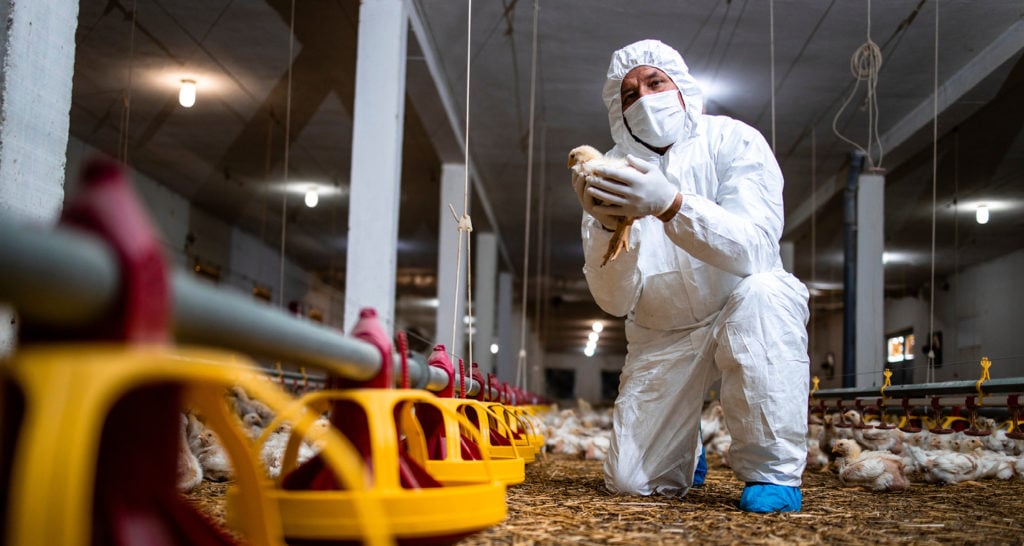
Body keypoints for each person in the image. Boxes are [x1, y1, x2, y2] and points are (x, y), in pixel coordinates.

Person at [570, 39, 810, 512]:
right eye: (630, 94)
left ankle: (772, 471)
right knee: (630, 482)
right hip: (662, 332)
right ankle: (686, 437)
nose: (644, 98)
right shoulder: (609, 176)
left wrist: (672, 205)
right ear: (618, 112)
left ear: (681, 87)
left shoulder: (733, 141)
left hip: (739, 305)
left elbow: (756, 248)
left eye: (655, 83)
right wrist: (605, 228)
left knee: (767, 292)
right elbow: (616, 301)